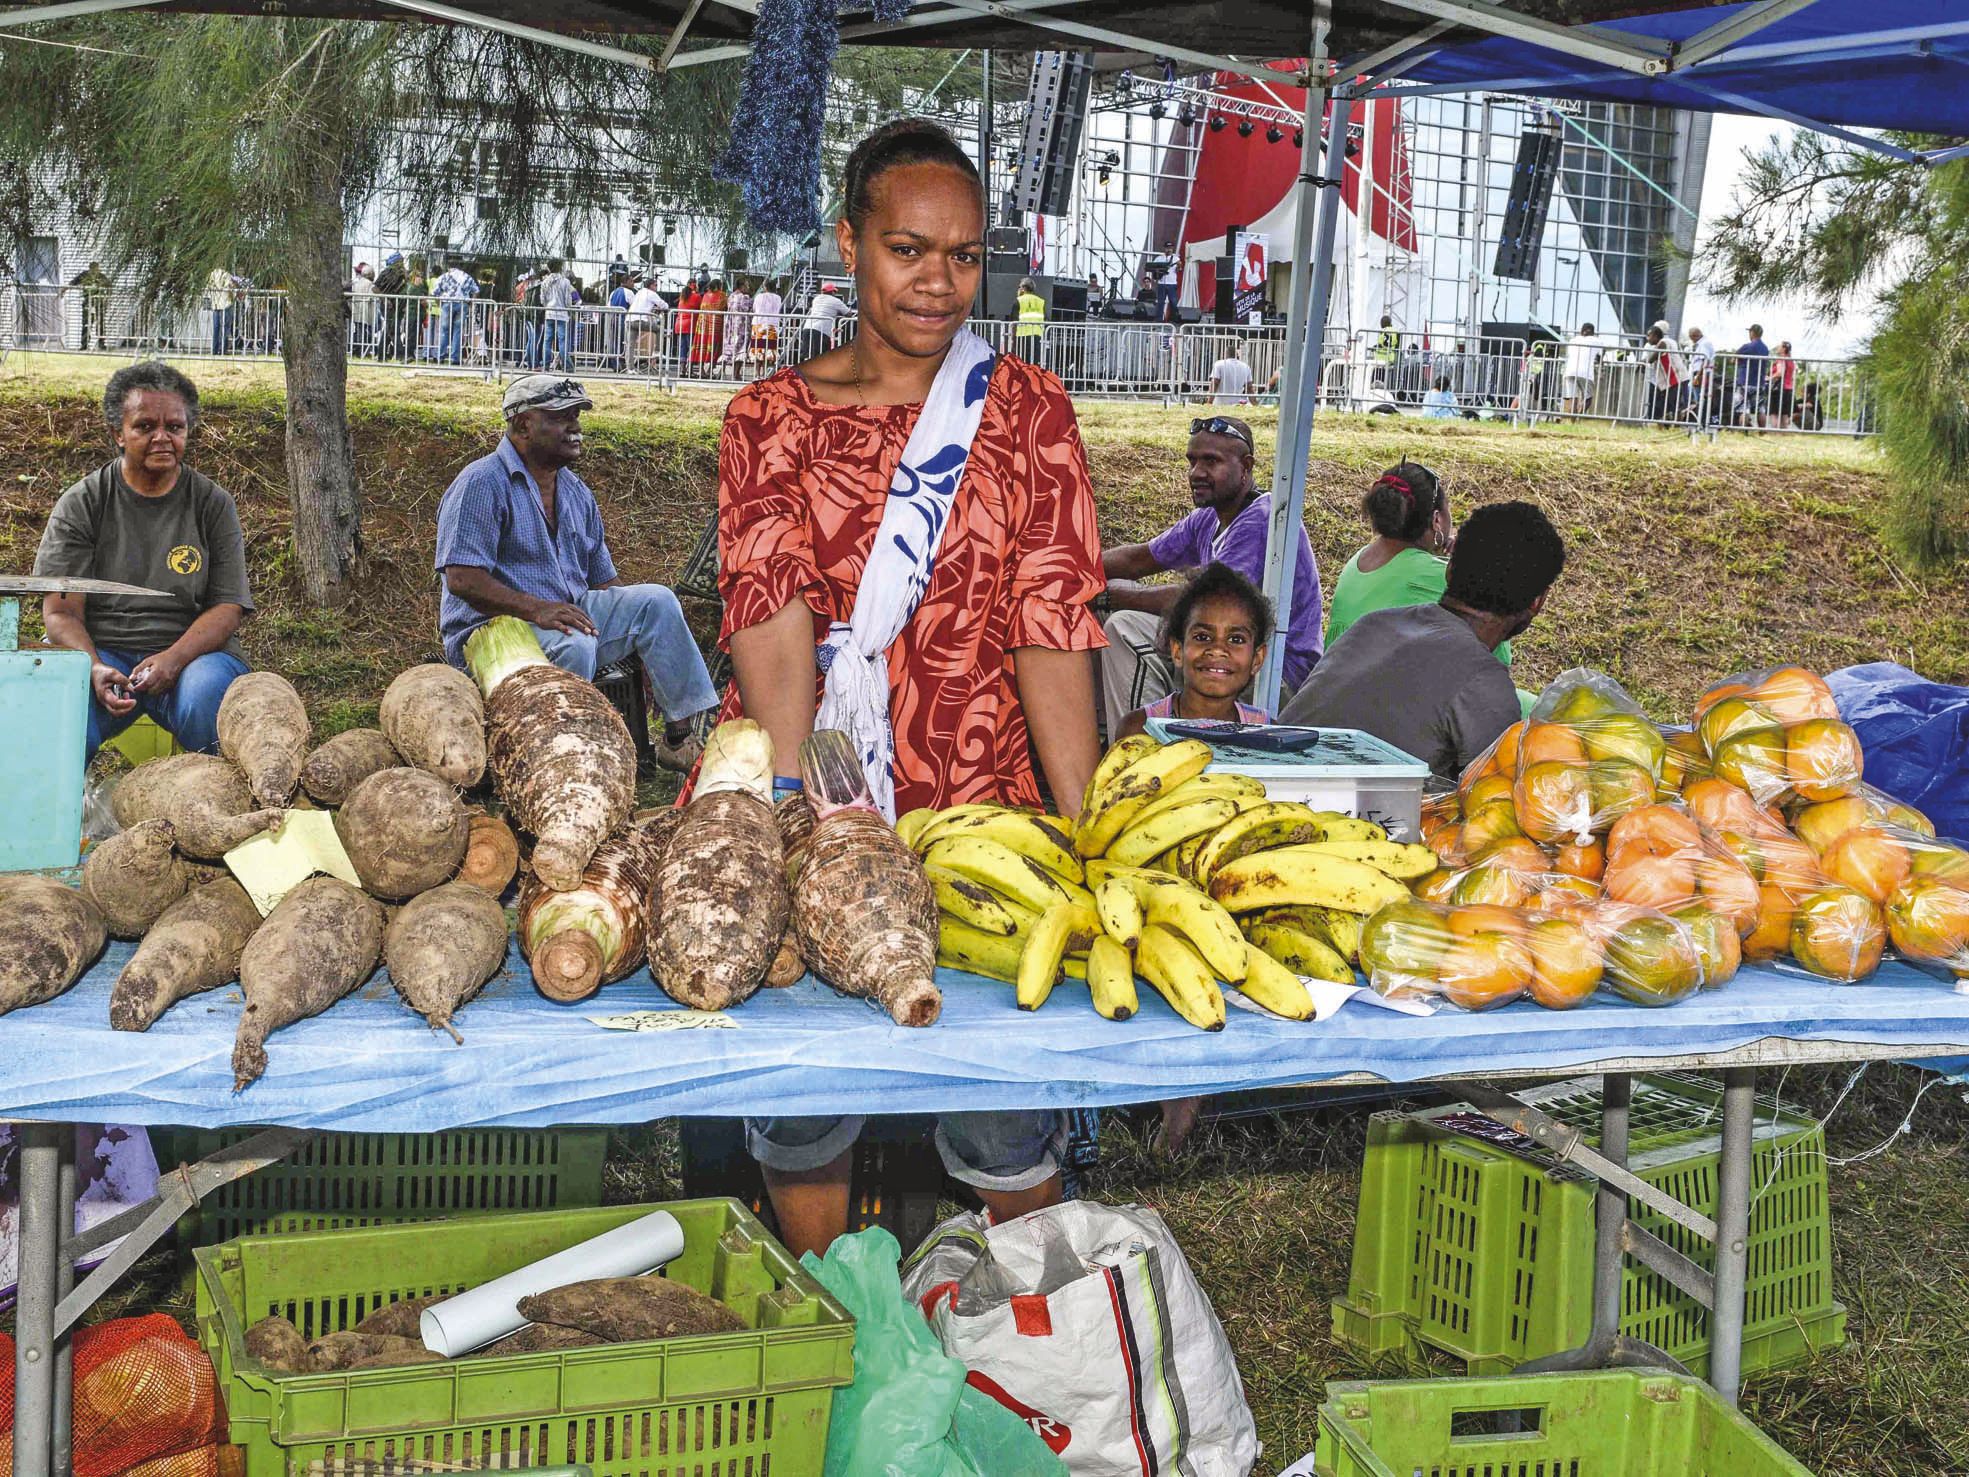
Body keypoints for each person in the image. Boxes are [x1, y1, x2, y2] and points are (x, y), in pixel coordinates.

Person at [715, 117, 1104, 1257]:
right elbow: (769, 610)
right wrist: (795, 804)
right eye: (908, 249)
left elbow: (1051, 615)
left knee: (999, 1095)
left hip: (981, 799)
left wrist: (1083, 824)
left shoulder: (1027, 413)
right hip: (821, 782)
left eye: (965, 255)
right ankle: (833, 1304)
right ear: (849, 243)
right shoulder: (769, 418)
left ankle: (1031, 1316)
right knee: (805, 1092)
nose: (939, 281)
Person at [435, 374, 717, 771]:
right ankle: (560, 756)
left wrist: (643, 650)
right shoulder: (481, 483)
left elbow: (604, 582)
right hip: (493, 633)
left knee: (656, 602)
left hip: (563, 618)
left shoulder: (575, 491)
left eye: (577, 416)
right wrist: (537, 610)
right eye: (561, 417)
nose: (575, 427)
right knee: (575, 642)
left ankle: (676, 739)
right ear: (522, 425)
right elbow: (461, 577)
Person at [33, 363, 252, 760]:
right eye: (145, 426)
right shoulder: (83, 503)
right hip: (102, 652)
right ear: (118, 433)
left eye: (175, 427)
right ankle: (53, 817)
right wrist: (94, 668)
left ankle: (226, 812)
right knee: (58, 715)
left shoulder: (212, 504)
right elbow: (61, 612)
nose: (162, 438)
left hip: (192, 658)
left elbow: (228, 606)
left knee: (207, 700)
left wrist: (174, 658)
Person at [1281, 501, 1565, 779]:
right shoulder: (1485, 683)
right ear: (1537, 603)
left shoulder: (1372, 625)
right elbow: (1492, 803)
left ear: (1449, 569)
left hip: (1257, 793)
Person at [1099, 415, 1321, 734]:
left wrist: (1109, 597)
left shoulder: (1262, 520)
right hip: (1229, 653)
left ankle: (1143, 749)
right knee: (1115, 596)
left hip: (1276, 673)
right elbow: (1138, 560)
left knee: (1125, 628)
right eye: (1192, 461)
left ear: (1246, 466)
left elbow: (1204, 600)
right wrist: (1067, 568)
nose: (1196, 473)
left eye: (1211, 461)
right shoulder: (1208, 517)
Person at [1324, 459, 1514, 671]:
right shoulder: (1437, 576)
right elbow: (1500, 654)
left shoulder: (1358, 561)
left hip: (1335, 688)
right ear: (1436, 520)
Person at [1116, 562, 1272, 739]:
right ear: (1177, 650)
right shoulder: (1140, 729)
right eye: (1203, 637)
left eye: (1236, 639)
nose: (1217, 650)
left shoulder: (1267, 734)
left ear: (1257, 659)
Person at [432, 258, 478, 366]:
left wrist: (439, 304)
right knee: (458, 331)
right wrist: (471, 303)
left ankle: (440, 356)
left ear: (449, 267)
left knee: (444, 331)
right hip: (462, 304)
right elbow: (476, 290)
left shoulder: (444, 277)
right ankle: (455, 358)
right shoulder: (467, 277)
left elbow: (435, 292)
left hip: (447, 303)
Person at [535, 258, 576, 370]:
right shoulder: (565, 282)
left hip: (549, 313)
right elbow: (568, 301)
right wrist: (568, 307)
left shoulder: (545, 282)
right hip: (562, 314)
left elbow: (542, 300)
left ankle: (546, 364)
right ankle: (567, 365)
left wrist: (548, 306)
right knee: (562, 341)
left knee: (547, 341)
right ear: (560, 267)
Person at [796, 281, 851, 362]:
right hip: (821, 331)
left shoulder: (816, 299)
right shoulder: (836, 301)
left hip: (807, 328)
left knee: (807, 356)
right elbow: (848, 313)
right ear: (832, 292)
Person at [1643, 321, 1682, 425]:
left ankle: (1674, 424)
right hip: (1668, 377)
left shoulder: (1663, 343)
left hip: (1674, 377)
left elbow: (1651, 358)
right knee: (1667, 403)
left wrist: (1641, 362)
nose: (1647, 338)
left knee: (1672, 403)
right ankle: (1664, 423)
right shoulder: (1670, 341)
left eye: (1649, 335)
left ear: (1656, 334)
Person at [626, 275, 668, 369]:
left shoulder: (639, 292)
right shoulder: (651, 293)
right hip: (640, 320)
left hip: (629, 319)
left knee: (631, 345)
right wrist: (658, 307)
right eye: (655, 285)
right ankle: (657, 351)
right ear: (651, 286)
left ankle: (630, 368)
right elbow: (664, 305)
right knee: (659, 329)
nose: (656, 287)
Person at [69, 261, 111, 351]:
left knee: (100, 324)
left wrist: (107, 298)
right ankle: (84, 345)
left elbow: (109, 287)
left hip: (99, 303)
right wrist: (63, 290)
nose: (95, 272)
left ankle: (101, 344)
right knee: (86, 324)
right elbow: (73, 282)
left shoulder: (101, 276)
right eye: (93, 270)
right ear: (90, 269)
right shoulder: (84, 275)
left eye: (96, 270)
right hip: (88, 302)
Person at [375, 251, 410, 360]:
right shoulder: (386, 273)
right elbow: (375, 288)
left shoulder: (403, 274)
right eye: (400, 262)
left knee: (390, 330)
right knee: (393, 330)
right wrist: (384, 299)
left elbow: (406, 289)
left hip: (399, 306)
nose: (401, 264)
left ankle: (381, 355)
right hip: (388, 305)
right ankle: (401, 355)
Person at [1735, 323, 1770, 429]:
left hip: (1745, 381)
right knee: (1760, 409)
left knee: (1743, 408)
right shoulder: (1765, 348)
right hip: (1759, 382)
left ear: (1752, 333)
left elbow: (1734, 359)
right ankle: (1762, 431)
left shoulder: (1747, 346)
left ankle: (1743, 430)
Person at [1563, 323, 1599, 416]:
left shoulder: (1573, 340)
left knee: (1573, 398)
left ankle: (1572, 422)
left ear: (1581, 331)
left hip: (1569, 371)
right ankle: (1579, 416)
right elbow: (1599, 356)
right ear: (1593, 332)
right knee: (1588, 398)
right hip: (1586, 373)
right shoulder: (1596, 341)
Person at [721, 277, 753, 378]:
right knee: (740, 350)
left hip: (730, 327)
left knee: (729, 348)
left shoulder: (731, 296)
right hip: (741, 327)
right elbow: (749, 309)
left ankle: (722, 372)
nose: (748, 288)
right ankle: (736, 373)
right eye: (747, 285)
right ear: (742, 286)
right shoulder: (744, 298)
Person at [1684, 325, 1715, 428]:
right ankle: (1700, 420)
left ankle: (1701, 422)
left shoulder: (1704, 344)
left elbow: (1704, 360)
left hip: (1700, 373)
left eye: (1691, 337)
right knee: (1698, 398)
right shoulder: (1702, 343)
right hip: (1699, 373)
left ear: (1694, 336)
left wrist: (1698, 376)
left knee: (1700, 399)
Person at [693, 276, 727, 367]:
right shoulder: (722, 295)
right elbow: (725, 308)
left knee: (702, 345)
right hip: (715, 325)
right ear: (719, 286)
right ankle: (710, 369)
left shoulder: (705, 295)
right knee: (715, 346)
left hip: (703, 324)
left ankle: (702, 370)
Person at [750, 277, 783, 368]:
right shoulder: (778, 298)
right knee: (770, 350)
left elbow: (754, 309)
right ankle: (765, 373)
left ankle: (757, 374)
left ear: (765, 287)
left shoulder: (759, 296)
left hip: (758, 324)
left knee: (758, 349)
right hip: (772, 326)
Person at [205, 265, 237, 356]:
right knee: (225, 328)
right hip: (225, 304)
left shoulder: (212, 274)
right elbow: (229, 289)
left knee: (216, 328)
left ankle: (215, 350)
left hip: (215, 304)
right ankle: (222, 349)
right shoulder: (226, 275)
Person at [348, 262, 378, 356]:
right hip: (366, 312)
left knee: (358, 331)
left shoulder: (357, 283)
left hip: (357, 311)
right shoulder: (370, 284)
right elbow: (372, 297)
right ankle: (362, 350)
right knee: (365, 332)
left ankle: (357, 349)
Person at [1768, 339, 1798, 429]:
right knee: (1784, 414)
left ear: (1784, 349)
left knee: (1775, 413)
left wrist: (1769, 378)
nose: (1777, 347)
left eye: (1779, 346)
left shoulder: (1781, 359)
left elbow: (1780, 372)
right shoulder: (1791, 361)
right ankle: (1784, 432)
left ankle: (1775, 432)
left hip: (1779, 389)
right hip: (1789, 389)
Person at [1014, 276, 1046, 361]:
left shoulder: (1019, 300)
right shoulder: (1041, 301)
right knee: (1034, 364)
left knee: (1021, 363)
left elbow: (1013, 321)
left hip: (1022, 336)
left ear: (1023, 288)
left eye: (1019, 287)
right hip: (1037, 336)